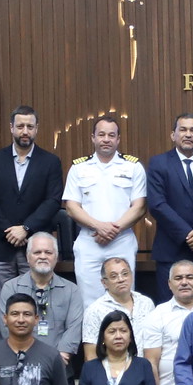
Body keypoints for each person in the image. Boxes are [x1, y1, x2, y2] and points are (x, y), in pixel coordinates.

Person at [0, 106, 66, 313]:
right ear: (11, 128)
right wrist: (9, 231)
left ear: (37, 129)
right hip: (1, 244)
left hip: (36, 243)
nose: (25, 131)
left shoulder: (50, 161)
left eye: (30, 126)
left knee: (37, 305)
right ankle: (0, 346)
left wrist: (26, 228)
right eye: (20, 126)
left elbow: (53, 201)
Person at [63, 114, 148, 293]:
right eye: (101, 135)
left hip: (122, 241)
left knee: (123, 297)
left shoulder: (133, 167)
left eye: (111, 135)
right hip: (89, 241)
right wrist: (99, 227)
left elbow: (139, 207)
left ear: (118, 139)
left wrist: (112, 230)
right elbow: (71, 207)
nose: (106, 139)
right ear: (93, 138)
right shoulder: (79, 168)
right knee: (89, 300)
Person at [144, 113, 193, 302]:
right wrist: (188, 234)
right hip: (171, 250)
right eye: (183, 129)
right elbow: (157, 204)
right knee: (169, 310)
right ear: (173, 135)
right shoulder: (159, 163)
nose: (188, 134)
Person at [0, 232, 83, 366]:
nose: (43, 256)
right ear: (27, 257)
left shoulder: (71, 290)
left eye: (48, 252)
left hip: (60, 366)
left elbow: (74, 327)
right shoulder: (11, 288)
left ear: (56, 257)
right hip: (20, 363)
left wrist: (59, 358)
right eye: (37, 252)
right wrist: (24, 357)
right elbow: (6, 326)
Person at [82, 255, 154, 360]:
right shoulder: (94, 310)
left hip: (144, 369)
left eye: (125, 274)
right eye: (114, 276)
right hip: (110, 372)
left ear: (131, 276)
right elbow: (90, 355)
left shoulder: (146, 303)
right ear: (104, 283)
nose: (121, 279)